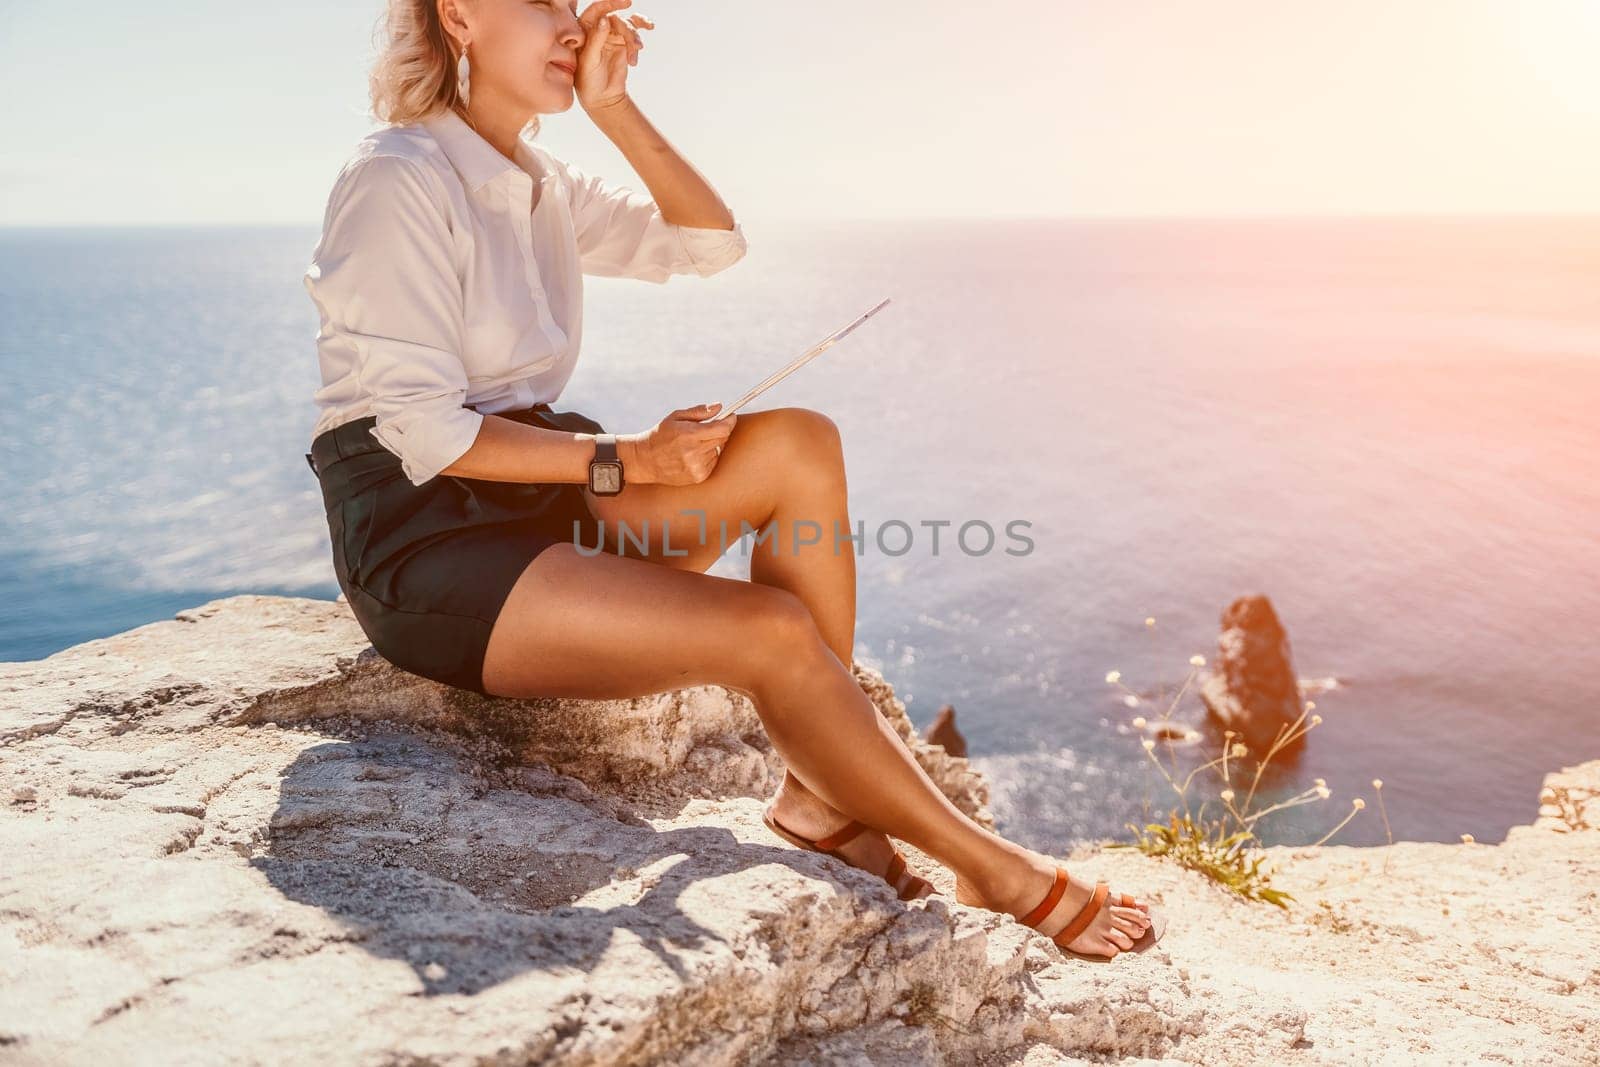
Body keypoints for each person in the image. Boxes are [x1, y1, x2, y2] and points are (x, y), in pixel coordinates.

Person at [304, 0, 1165, 961]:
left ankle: (817, 798)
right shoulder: (398, 176)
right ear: (458, 13)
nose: (574, 26)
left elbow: (708, 243)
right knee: (770, 631)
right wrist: (629, 457)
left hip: (540, 484)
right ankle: (997, 868)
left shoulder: (539, 181)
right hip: (429, 534)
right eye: (544, 3)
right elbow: (421, 430)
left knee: (800, 444)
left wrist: (615, 109)